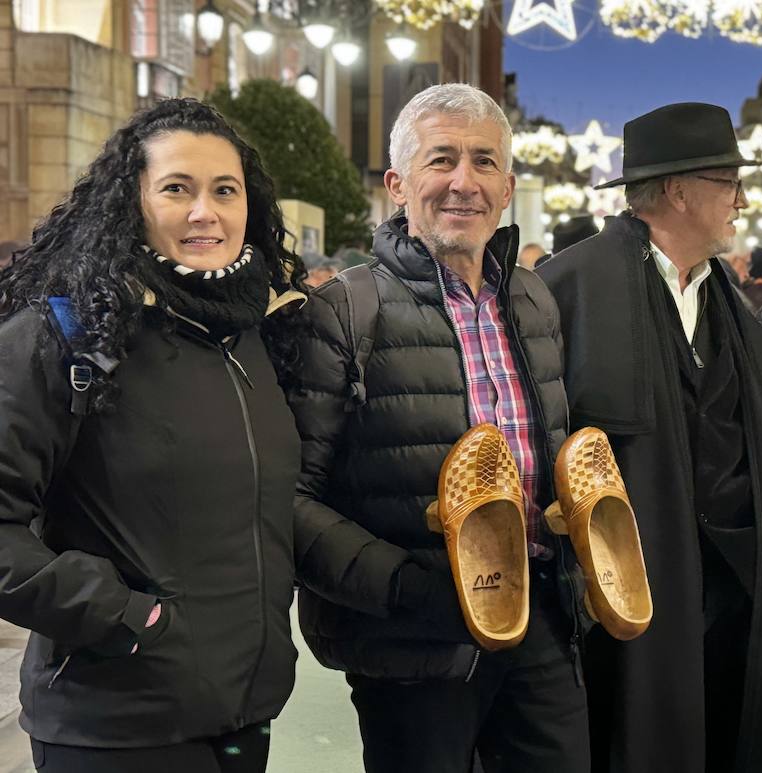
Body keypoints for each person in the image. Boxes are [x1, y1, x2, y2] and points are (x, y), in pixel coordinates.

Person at [287, 83, 589, 773]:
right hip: (414, 643)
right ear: (398, 183)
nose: (464, 182)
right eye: (442, 159)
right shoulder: (346, 309)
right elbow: (291, 498)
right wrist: (405, 589)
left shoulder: (532, 298)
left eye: (484, 162)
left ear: (508, 187)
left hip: (538, 620)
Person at [0, 98, 306, 773]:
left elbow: (268, 511)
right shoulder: (67, 334)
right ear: (130, 202)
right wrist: (122, 617)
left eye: (224, 190)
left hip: (243, 713)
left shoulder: (248, 337)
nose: (206, 212)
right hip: (116, 726)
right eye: (177, 188)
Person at [538, 102, 762, 773]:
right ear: (677, 190)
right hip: (627, 591)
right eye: (730, 183)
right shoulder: (567, 285)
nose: (743, 200)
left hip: (729, 591)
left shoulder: (721, 292)